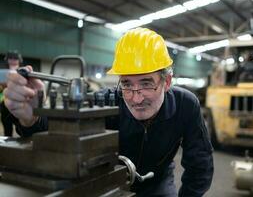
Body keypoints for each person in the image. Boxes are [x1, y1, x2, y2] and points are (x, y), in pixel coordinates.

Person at [4, 28, 214, 196]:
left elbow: (200, 165)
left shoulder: (186, 105)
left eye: (146, 83)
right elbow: (54, 130)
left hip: (156, 183)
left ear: (167, 81)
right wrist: (31, 117)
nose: (136, 97)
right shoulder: (107, 101)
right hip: (109, 183)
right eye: (126, 84)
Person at [0, 50, 23, 136]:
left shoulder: (24, 72)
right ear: (7, 60)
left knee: (22, 130)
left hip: (20, 105)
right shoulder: (2, 74)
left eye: (15, 58)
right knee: (7, 131)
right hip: (5, 105)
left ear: (19, 60)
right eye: (11, 58)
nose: (13, 60)